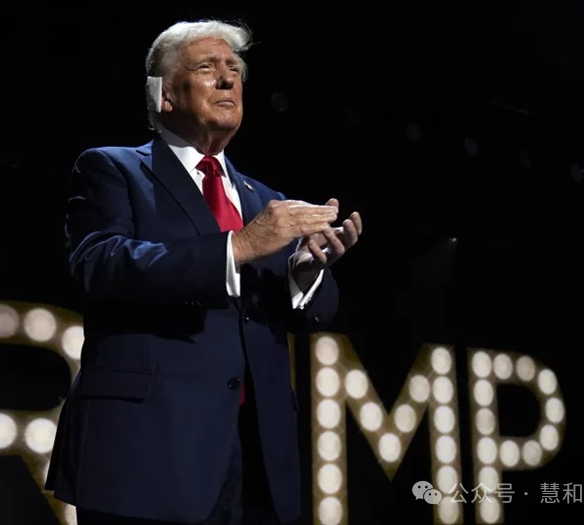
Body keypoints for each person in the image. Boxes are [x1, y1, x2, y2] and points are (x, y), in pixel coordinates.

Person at [45, 19, 362, 525]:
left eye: (235, 69)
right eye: (206, 67)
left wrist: (304, 273)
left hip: (256, 454)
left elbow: (307, 315)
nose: (228, 78)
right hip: (147, 451)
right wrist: (240, 246)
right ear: (165, 95)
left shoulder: (266, 199)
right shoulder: (112, 169)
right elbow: (98, 265)